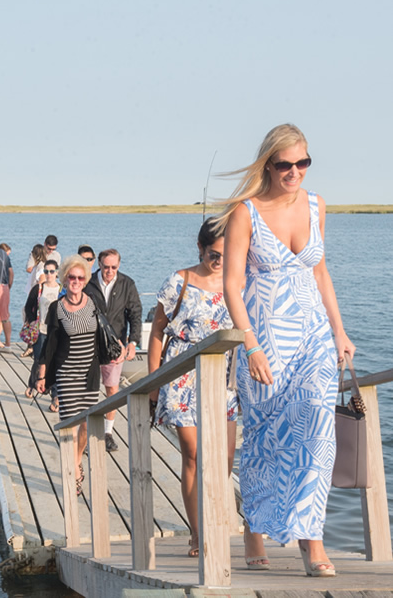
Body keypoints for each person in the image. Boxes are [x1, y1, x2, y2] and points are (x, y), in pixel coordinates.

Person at [220, 123, 355, 577]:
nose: (294, 171)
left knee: (319, 433)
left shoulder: (316, 206)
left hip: (313, 335)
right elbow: (233, 286)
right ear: (268, 165)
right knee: (264, 439)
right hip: (266, 340)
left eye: (302, 163)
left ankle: (311, 541)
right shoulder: (246, 212)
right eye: (284, 164)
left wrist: (339, 331)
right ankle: (254, 528)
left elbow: (320, 272)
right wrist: (250, 346)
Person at [147, 219, 239, 560]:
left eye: (227, 254)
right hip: (181, 374)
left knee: (226, 459)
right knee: (194, 454)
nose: (220, 261)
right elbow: (157, 331)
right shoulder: (179, 281)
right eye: (214, 254)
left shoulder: (236, 281)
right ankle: (199, 534)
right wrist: (153, 383)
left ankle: (213, 517)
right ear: (200, 248)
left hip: (222, 377)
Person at [36, 255, 102, 496]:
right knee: (70, 425)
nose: (75, 281)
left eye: (80, 277)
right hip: (66, 373)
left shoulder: (94, 303)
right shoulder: (57, 307)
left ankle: (76, 458)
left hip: (89, 374)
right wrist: (42, 375)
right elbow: (50, 342)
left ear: (85, 280)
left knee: (85, 423)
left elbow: (105, 331)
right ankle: (73, 470)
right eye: (71, 277)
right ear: (65, 279)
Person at [84, 248, 142, 452]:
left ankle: (107, 432)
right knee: (87, 389)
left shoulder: (127, 284)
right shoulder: (87, 283)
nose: (109, 271)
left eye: (114, 267)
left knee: (112, 389)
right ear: (99, 264)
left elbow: (135, 313)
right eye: (106, 267)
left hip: (114, 345)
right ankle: (84, 432)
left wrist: (133, 342)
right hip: (89, 344)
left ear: (119, 265)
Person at [23, 259, 61, 412]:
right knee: (39, 360)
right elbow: (28, 307)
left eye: (52, 271)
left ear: (57, 273)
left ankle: (56, 396)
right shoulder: (38, 289)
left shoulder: (62, 289)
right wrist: (33, 322)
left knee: (56, 364)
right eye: (46, 271)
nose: (49, 274)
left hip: (57, 332)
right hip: (41, 330)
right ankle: (33, 384)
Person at [0, 243, 12, 348]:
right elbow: (11, 274)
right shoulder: (5, 262)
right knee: (4, 316)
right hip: (2, 289)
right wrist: (9, 286)